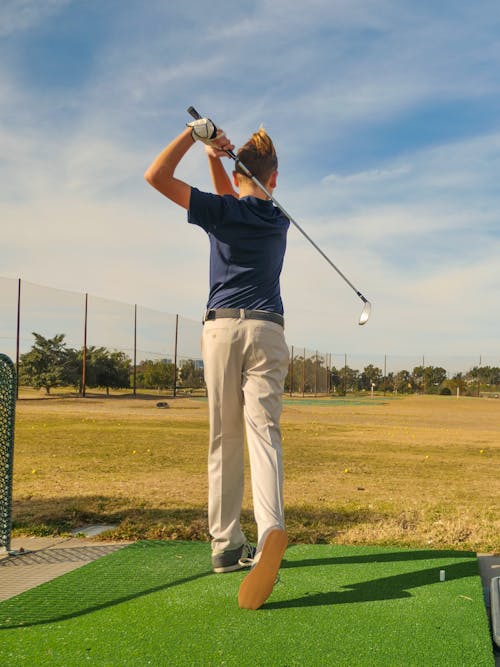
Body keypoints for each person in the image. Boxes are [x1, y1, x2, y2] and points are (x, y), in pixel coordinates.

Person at [144, 116, 289, 610]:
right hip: (268, 330)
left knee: (224, 437)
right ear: (274, 179)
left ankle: (226, 546)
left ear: (238, 172)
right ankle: (271, 530)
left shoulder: (222, 212)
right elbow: (237, 196)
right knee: (263, 433)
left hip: (222, 329)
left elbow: (155, 177)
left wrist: (195, 138)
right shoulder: (279, 218)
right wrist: (217, 156)